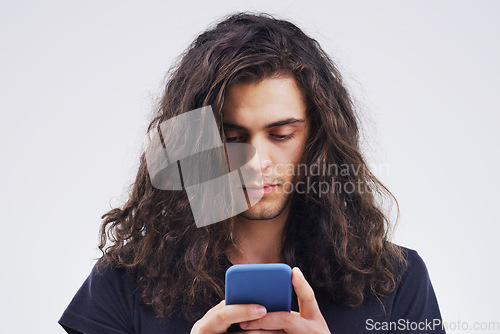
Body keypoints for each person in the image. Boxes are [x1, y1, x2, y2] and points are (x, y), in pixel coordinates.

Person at [59, 12, 445, 334]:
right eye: (231, 136)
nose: (257, 161)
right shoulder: (125, 283)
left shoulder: (395, 281)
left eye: (281, 134)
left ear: (318, 137)